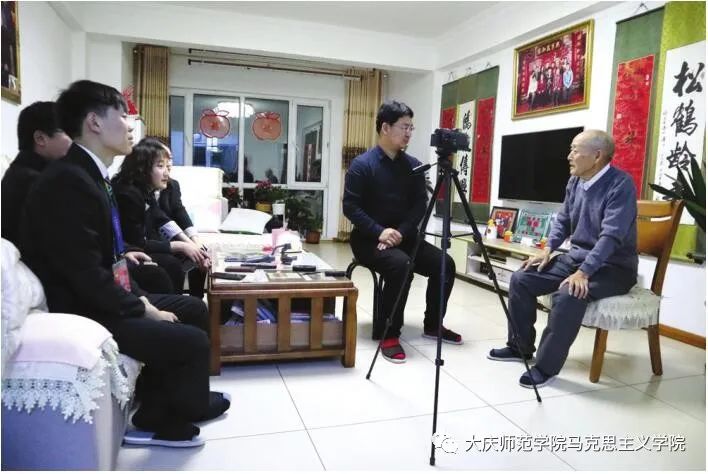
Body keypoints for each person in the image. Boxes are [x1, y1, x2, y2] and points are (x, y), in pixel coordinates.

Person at [18, 80, 229, 447]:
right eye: (123, 115)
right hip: (83, 308)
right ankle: (161, 424)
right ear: (94, 122)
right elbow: (84, 274)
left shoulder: (89, 174)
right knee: (192, 340)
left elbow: (107, 258)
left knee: (194, 308)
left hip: (101, 294)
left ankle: (177, 402)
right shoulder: (68, 182)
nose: (131, 125)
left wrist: (140, 297)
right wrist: (142, 308)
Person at [488, 130, 637, 388]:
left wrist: (584, 272)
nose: (569, 156)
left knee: (569, 294)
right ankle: (519, 347)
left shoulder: (620, 185)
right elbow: (564, 220)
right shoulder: (575, 182)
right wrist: (548, 249)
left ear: (597, 156)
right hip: (576, 259)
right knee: (522, 279)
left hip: (613, 268)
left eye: (575, 150)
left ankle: (545, 367)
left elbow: (611, 237)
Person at [342, 100, 462, 364]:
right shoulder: (362, 165)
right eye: (404, 127)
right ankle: (389, 333)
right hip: (368, 239)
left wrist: (399, 233)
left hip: (404, 237)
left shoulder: (414, 166)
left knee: (445, 263)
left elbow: (419, 205)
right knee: (400, 265)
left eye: (411, 128)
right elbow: (350, 207)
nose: (408, 133)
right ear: (385, 127)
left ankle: (433, 324)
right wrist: (380, 232)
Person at [112, 138, 210, 298]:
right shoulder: (128, 193)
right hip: (127, 251)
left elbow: (163, 218)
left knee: (194, 255)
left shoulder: (147, 189)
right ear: (143, 168)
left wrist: (192, 244)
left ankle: (191, 300)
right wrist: (180, 246)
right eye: (160, 165)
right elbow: (137, 242)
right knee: (171, 265)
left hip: (147, 241)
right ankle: (177, 304)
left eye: (168, 165)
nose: (167, 172)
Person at [1, 102, 71, 246]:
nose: (74, 140)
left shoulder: (20, 173)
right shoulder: (37, 183)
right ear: (40, 138)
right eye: (67, 132)